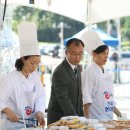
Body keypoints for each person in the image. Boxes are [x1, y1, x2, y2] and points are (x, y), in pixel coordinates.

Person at [0, 22, 46, 130]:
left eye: (37, 63)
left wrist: (39, 111)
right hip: (13, 125)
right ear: (23, 59)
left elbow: (40, 96)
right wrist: (7, 110)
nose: (35, 67)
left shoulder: (35, 76)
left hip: (31, 124)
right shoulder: (11, 78)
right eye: (32, 63)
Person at [47, 38, 84, 125]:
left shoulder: (77, 67)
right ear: (66, 52)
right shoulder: (60, 72)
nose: (78, 57)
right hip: (60, 121)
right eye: (74, 54)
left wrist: (82, 118)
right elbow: (64, 99)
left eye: (80, 53)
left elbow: (79, 96)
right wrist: (76, 120)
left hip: (73, 119)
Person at [82, 44, 122, 121]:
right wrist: (86, 120)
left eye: (107, 53)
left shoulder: (107, 73)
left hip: (109, 118)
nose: (106, 56)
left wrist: (120, 115)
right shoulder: (89, 72)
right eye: (103, 53)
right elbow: (86, 98)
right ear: (94, 54)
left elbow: (109, 99)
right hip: (95, 120)